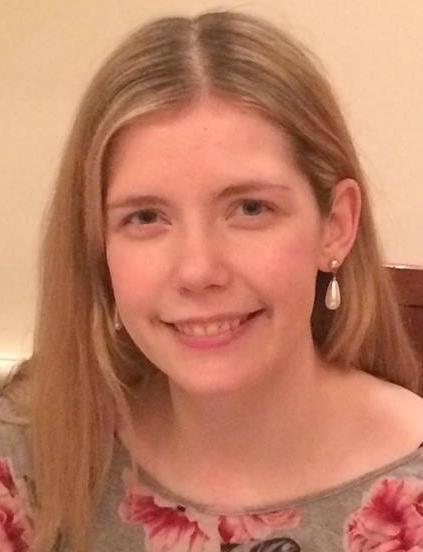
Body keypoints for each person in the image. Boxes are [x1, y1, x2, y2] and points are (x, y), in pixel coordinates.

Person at [1, 10, 422, 552]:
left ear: (335, 225)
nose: (198, 270)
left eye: (250, 208)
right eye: (146, 217)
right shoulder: (30, 456)